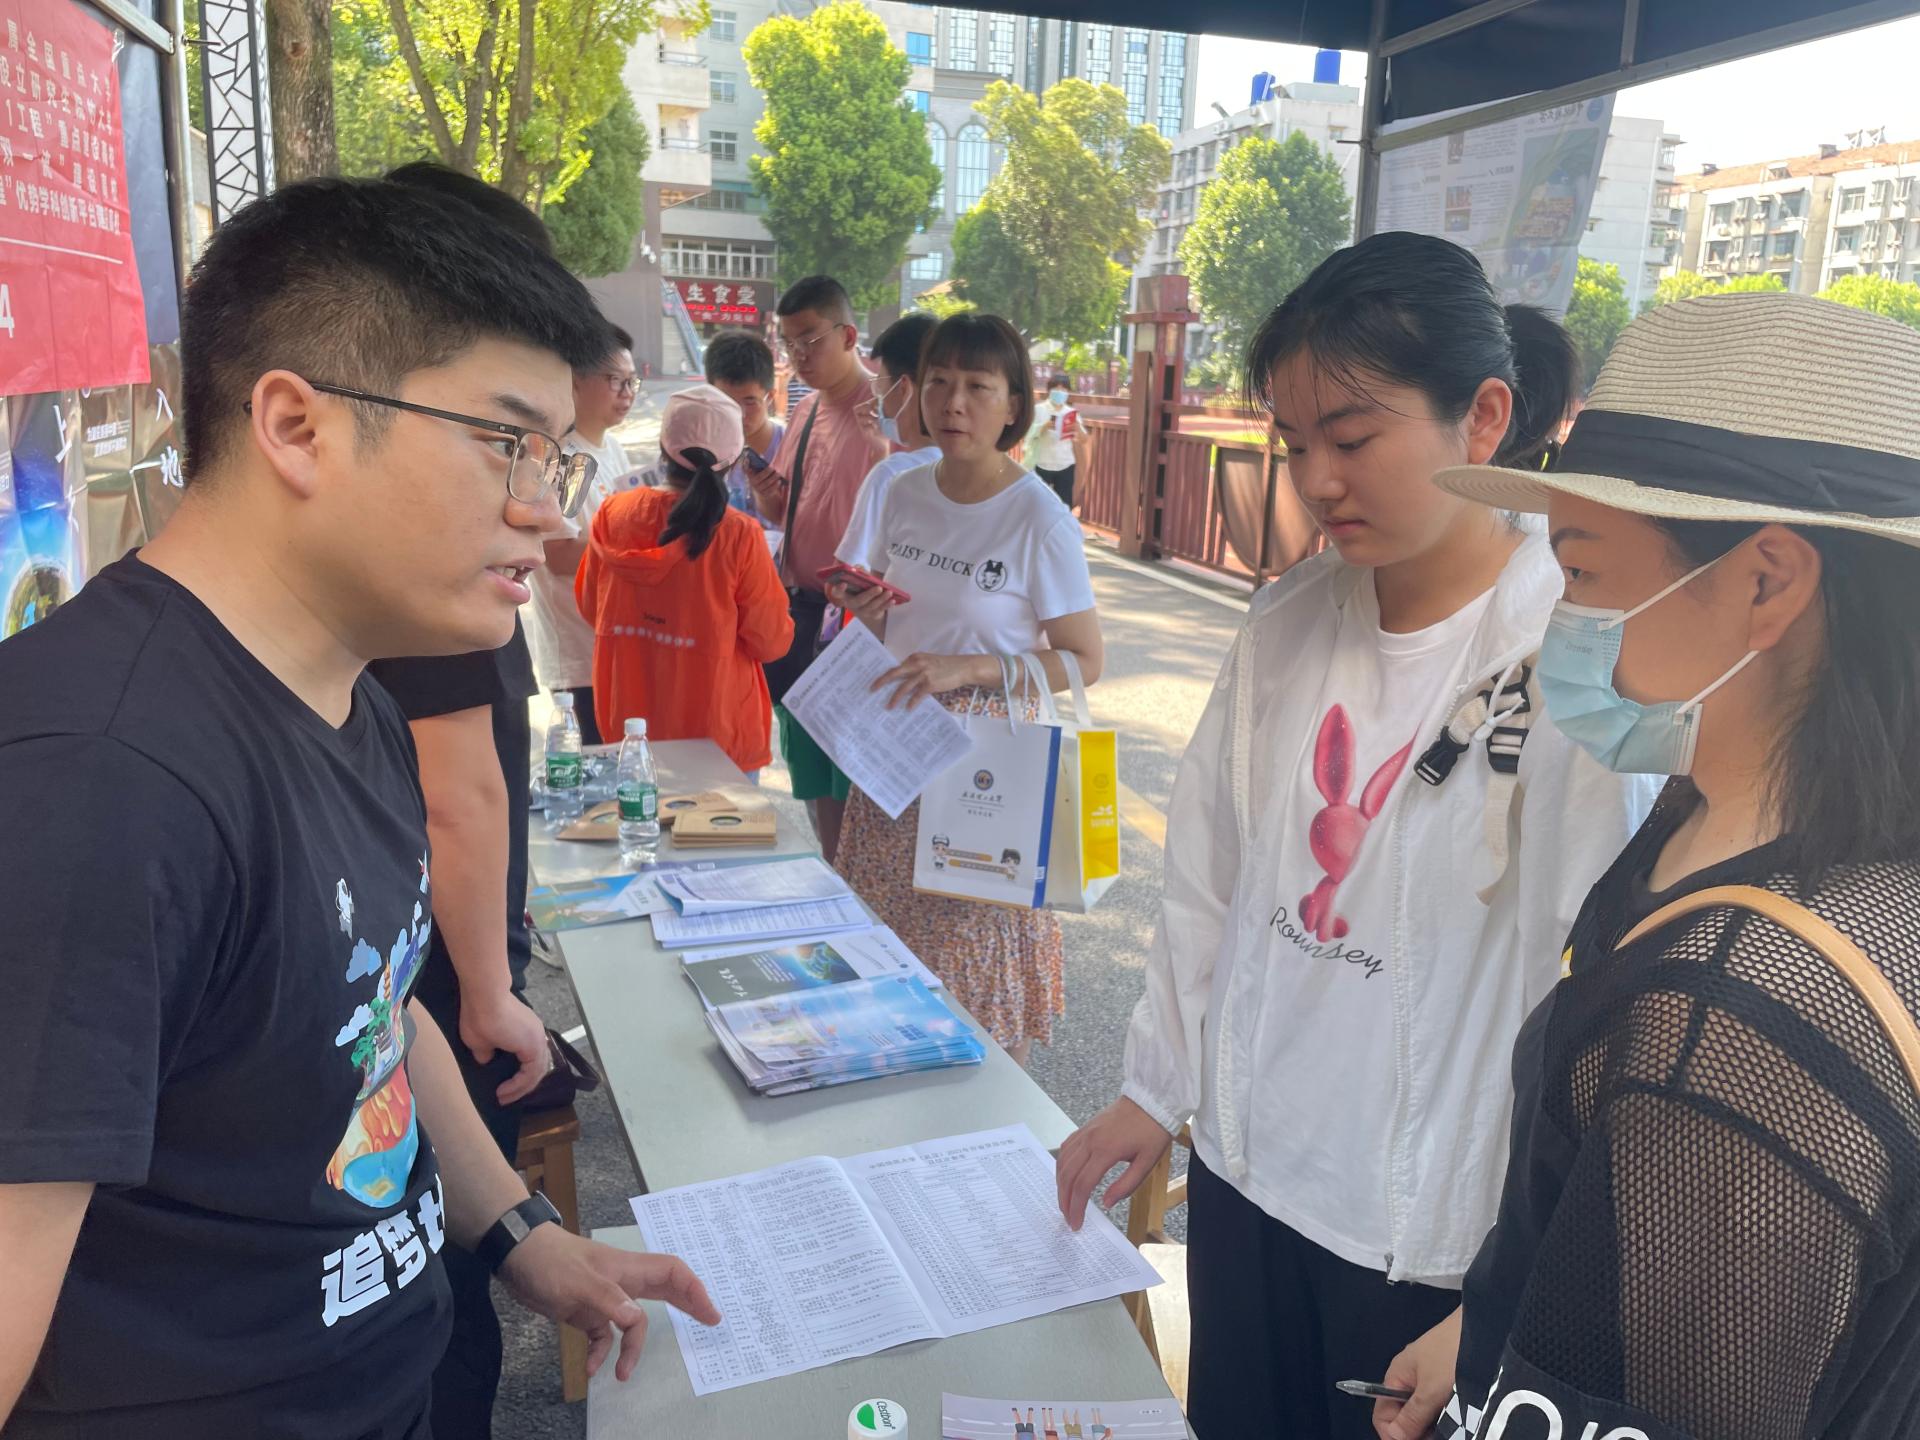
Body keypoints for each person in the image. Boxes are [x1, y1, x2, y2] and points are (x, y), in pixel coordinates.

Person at [0, 175, 719, 1437]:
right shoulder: (96, 781)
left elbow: (377, 1009)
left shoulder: (350, 694)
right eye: (503, 442)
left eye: (555, 456)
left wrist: (523, 1234)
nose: (545, 511)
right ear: (297, 425)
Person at [1052, 232, 1657, 1440]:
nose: (1319, 480)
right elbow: (1208, 878)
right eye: (1294, 444)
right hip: (1247, 1174)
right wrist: (1154, 1090)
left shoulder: (1570, 658)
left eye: (1353, 436)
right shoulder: (1288, 622)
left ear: (1485, 417)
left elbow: (1598, 999)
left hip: (1425, 1238)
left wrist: (1507, 1295)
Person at [1377, 295, 1920, 1440]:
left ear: (1766, 583)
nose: (1560, 625)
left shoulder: (1744, 1026)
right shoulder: (1729, 810)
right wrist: (1485, 1333)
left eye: (1581, 574)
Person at [827, 313, 1103, 1068]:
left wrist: (968, 669)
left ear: (1014, 406)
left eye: (978, 387)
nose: (953, 403)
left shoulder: (1039, 517)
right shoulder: (901, 490)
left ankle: (984, 1122)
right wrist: (864, 609)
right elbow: (887, 616)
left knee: (972, 971)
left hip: (988, 765)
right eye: (939, 382)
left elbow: (1084, 660)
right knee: (887, 957)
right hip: (895, 751)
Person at [576, 385, 793, 773]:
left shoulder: (613, 514)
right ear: (733, 460)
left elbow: (592, 608)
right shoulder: (739, 534)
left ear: (663, 448)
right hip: (720, 739)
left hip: (630, 733)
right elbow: (772, 641)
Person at [747, 275, 888, 862]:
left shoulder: (887, 411)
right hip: (804, 610)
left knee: (855, 771)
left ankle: (858, 880)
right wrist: (765, 492)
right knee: (809, 765)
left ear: (848, 335)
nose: (798, 356)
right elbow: (786, 511)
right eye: (789, 344)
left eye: (809, 340)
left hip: (860, 620)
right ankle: (834, 872)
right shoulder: (804, 412)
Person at [520, 323, 639, 745]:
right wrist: (637, 543)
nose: (627, 393)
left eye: (632, 381)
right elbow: (560, 556)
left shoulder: (613, 449)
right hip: (579, 657)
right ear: (575, 382)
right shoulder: (562, 459)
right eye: (615, 380)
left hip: (615, 641)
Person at [838, 311, 941, 566]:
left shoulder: (890, 475)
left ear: (903, 388)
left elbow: (851, 572)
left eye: (881, 385)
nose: (878, 399)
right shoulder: (971, 472)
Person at [703, 329, 783, 529]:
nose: (737, 414)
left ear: (770, 397)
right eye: (725, 401)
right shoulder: (697, 449)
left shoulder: (793, 448)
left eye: (750, 401)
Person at [1025, 377, 1086, 511]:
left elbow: (1084, 439)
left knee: (1064, 506)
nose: (1060, 392)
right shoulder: (1039, 409)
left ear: (1068, 392)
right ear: (1049, 391)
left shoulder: (1071, 413)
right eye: (1056, 389)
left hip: (1065, 464)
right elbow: (1028, 435)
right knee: (1038, 505)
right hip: (1042, 463)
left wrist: (1077, 428)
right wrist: (1044, 427)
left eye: (1063, 389)